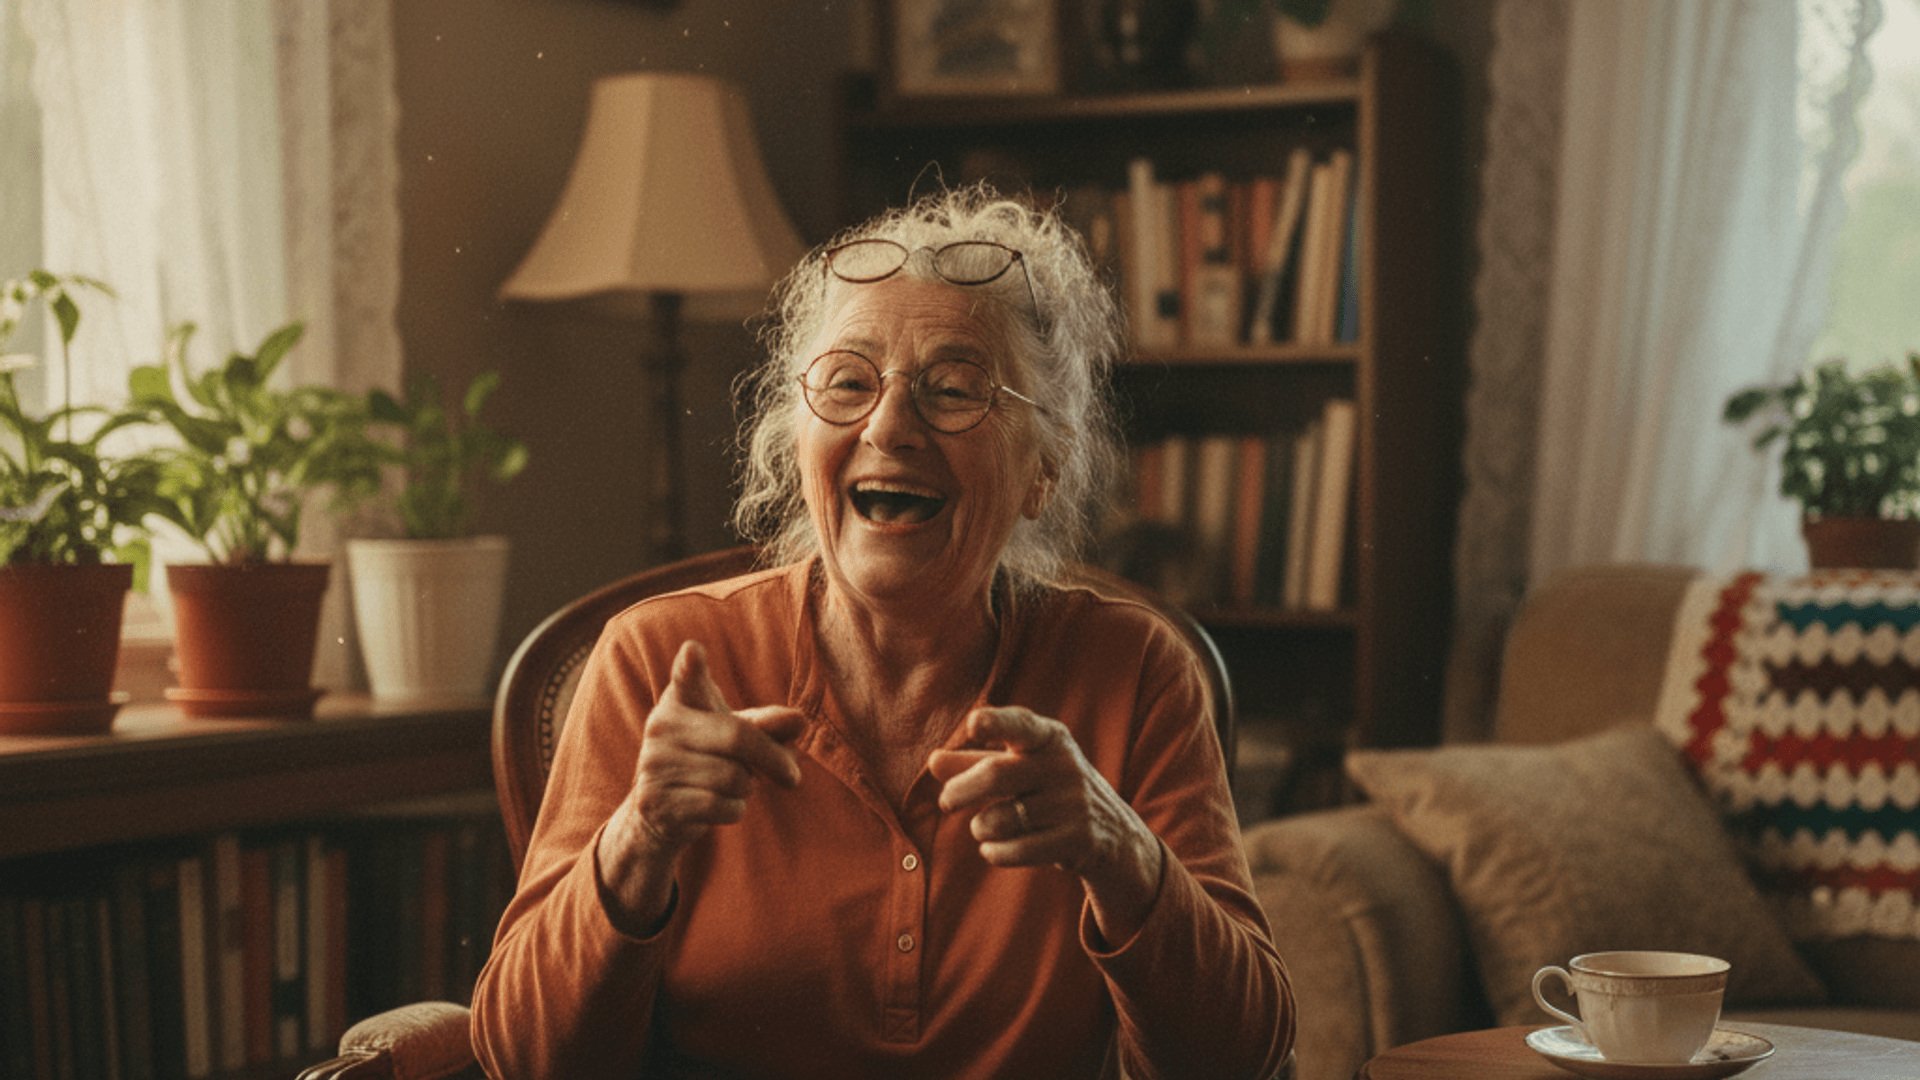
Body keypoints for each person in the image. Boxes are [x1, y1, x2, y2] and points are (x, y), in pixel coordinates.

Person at [470, 184, 1295, 1080]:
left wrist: (1119, 850)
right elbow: (522, 1059)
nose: (890, 426)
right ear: (797, 447)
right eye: (849, 384)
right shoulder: (659, 662)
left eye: (953, 389)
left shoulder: (1131, 672)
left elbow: (1244, 1058)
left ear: (1043, 468)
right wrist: (638, 841)